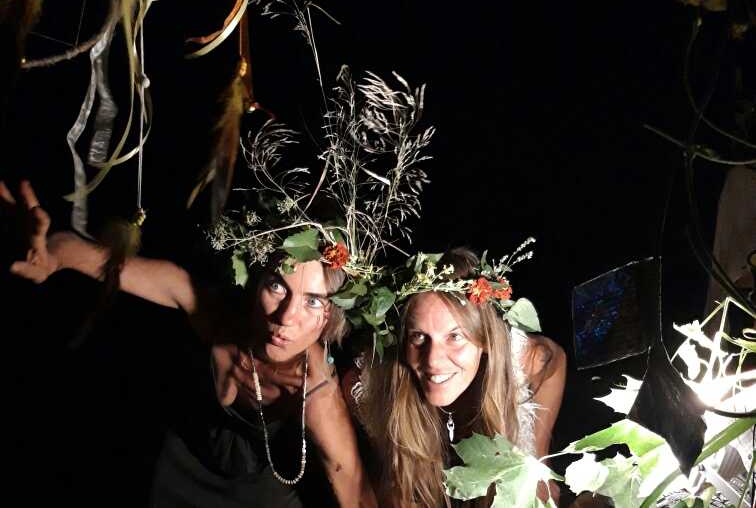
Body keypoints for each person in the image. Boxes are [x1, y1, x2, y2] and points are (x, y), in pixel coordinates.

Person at [2, 179, 376, 508]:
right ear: (257, 281)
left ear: (331, 314)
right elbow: (108, 262)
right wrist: (53, 253)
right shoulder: (220, 317)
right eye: (277, 286)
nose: (286, 317)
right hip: (174, 484)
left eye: (313, 301)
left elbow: (356, 494)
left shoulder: (316, 394)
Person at [353, 248, 566, 507]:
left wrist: (536, 456)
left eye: (455, 337)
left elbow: (555, 358)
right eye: (418, 336)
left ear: (485, 340)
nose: (432, 361)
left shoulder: (526, 358)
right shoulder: (374, 380)